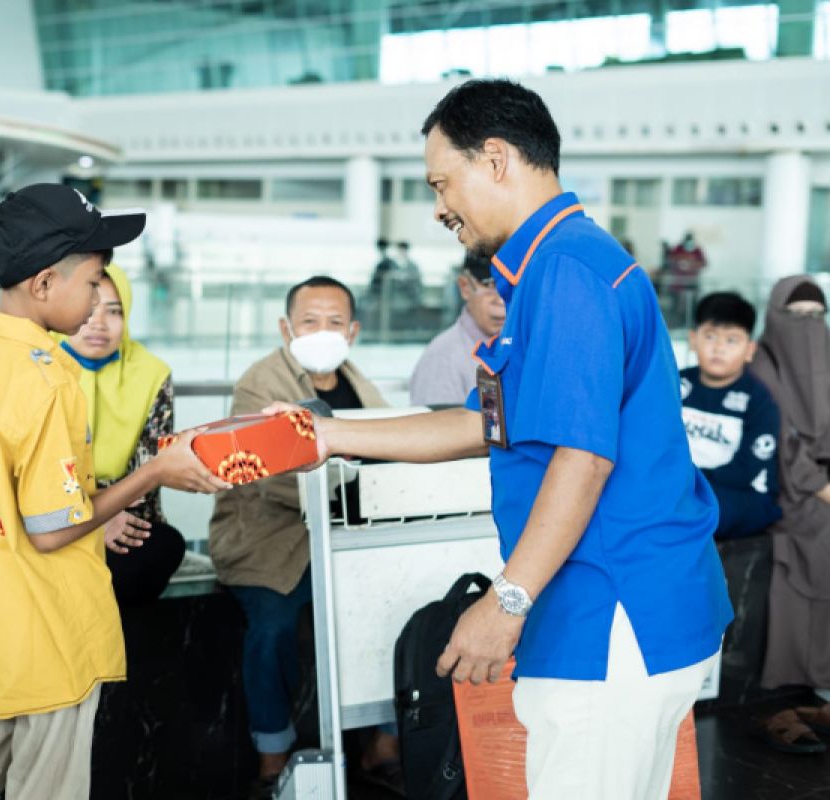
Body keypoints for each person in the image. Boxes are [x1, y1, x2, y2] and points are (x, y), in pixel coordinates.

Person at [267, 79, 731, 799]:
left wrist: (505, 602)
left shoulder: (567, 270)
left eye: (441, 182)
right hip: (606, 604)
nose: (439, 206)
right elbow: (484, 422)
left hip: (611, 609)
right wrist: (325, 435)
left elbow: (583, 459)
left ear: (495, 158)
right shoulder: (549, 268)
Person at [0, 184, 228, 800]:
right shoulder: (45, 381)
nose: (96, 300)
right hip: (43, 635)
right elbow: (52, 527)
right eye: (92, 282)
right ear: (42, 284)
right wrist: (155, 472)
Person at [207, 276, 394, 799]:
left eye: (334, 322)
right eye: (309, 321)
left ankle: (384, 744)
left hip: (343, 538)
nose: (322, 332)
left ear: (353, 330)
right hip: (269, 542)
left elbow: (388, 446)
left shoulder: (361, 385)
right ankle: (273, 757)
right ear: (286, 327)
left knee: (393, 610)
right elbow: (270, 472)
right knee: (273, 628)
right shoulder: (260, 383)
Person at [60, 263, 187, 605]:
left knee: (159, 547)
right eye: (88, 309)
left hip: (124, 516)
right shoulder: (41, 366)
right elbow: (36, 470)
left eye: (113, 311)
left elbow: (148, 474)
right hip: (50, 513)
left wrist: (108, 513)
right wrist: (90, 521)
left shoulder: (150, 373)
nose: (98, 323)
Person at [749, 276, 830, 752]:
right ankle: (820, 678)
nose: (806, 327)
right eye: (795, 316)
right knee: (819, 538)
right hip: (787, 489)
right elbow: (783, 447)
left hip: (820, 483)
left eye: (814, 317)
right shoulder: (763, 362)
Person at [679, 292, 782, 539]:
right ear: (693, 340)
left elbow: (746, 470)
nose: (718, 348)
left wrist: (688, 482)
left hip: (742, 494)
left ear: (749, 350)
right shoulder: (676, 384)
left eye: (731, 340)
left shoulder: (758, 400)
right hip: (681, 485)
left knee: (693, 511)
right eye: (710, 336)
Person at [409, 252, 507, 405]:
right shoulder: (442, 360)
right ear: (465, 287)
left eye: (511, 286)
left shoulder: (522, 346)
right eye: (489, 285)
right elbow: (437, 427)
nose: (501, 300)